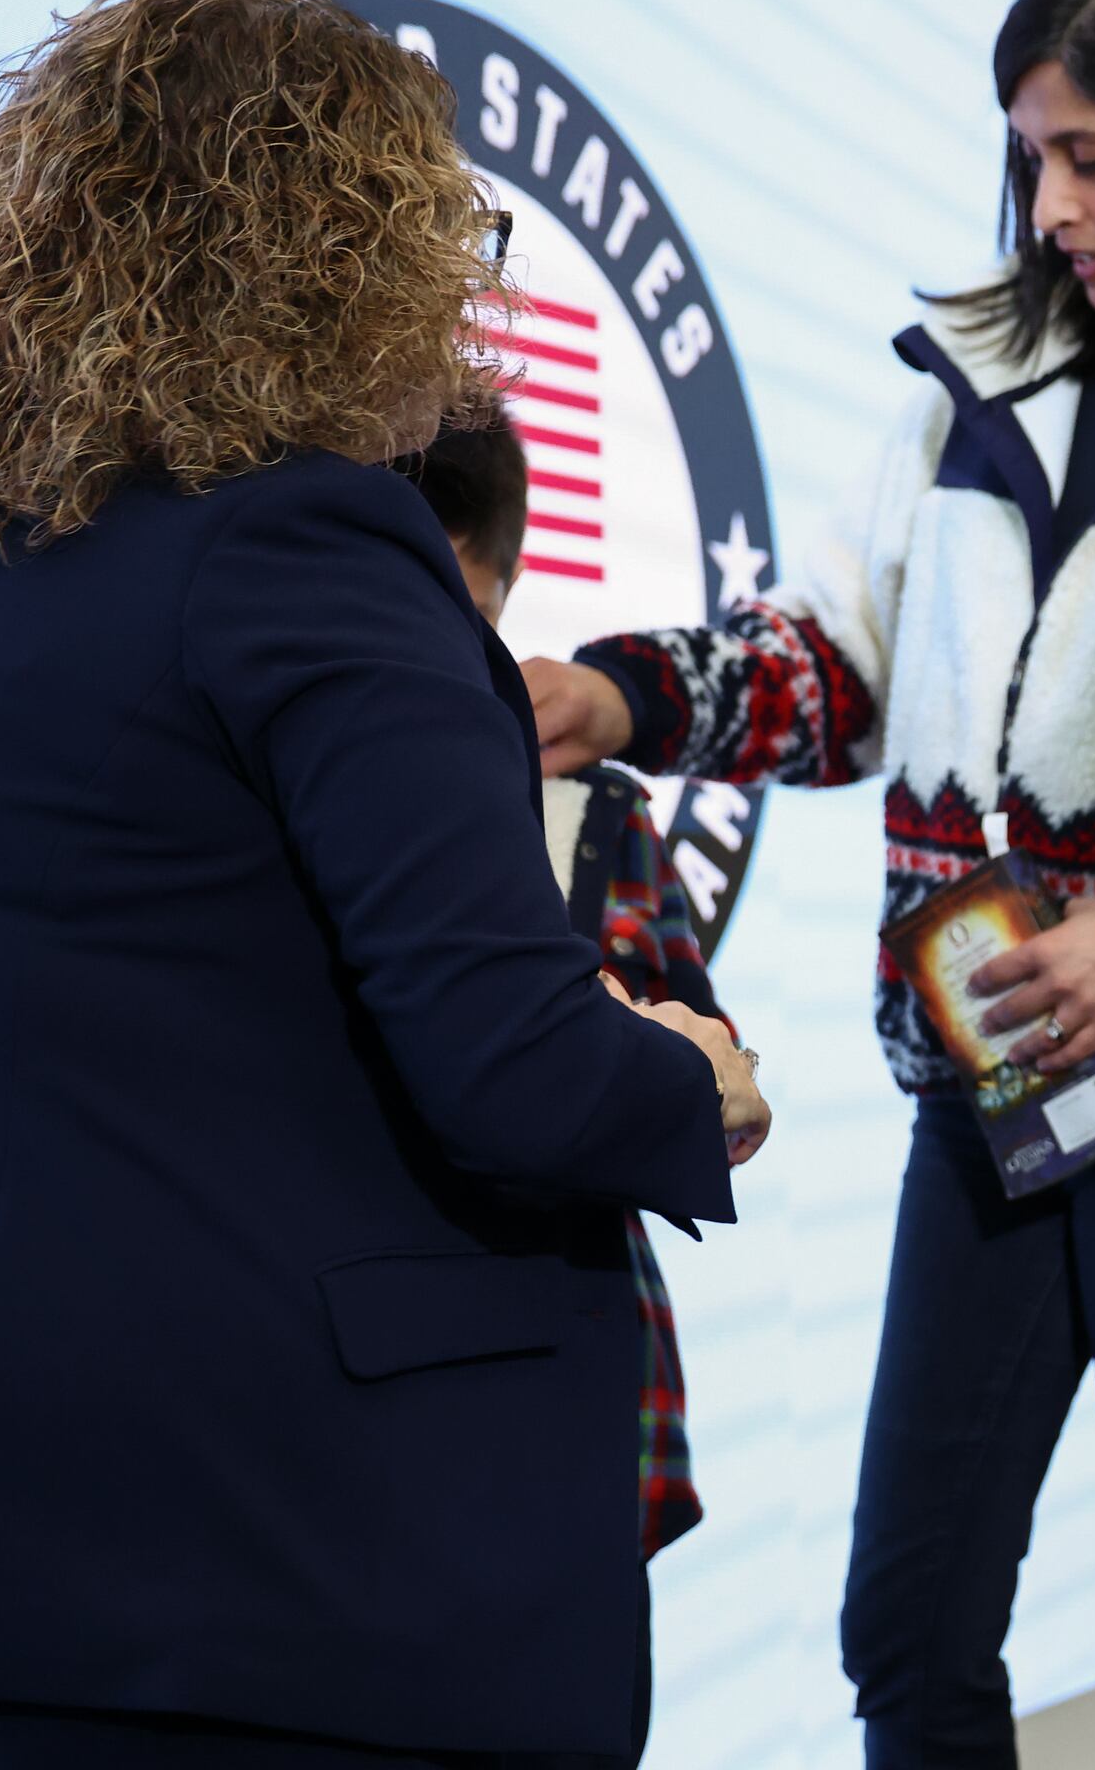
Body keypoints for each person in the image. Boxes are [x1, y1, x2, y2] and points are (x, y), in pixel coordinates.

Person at [0, 0, 767, 1768]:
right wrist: (690, 1083)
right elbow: (515, 1061)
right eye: (448, 235)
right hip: (194, 1581)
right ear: (352, 250)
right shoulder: (304, 549)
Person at [518, 0, 1095, 1766]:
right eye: (1029, 152)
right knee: (908, 1622)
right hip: (992, 1097)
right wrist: (614, 696)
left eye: (1093, 156)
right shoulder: (965, 388)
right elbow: (841, 672)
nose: (1050, 202)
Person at [405, 418, 721, 1558]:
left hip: (566, 1328)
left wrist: (654, 1057)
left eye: (464, 618)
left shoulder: (598, 812)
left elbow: (708, 1073)